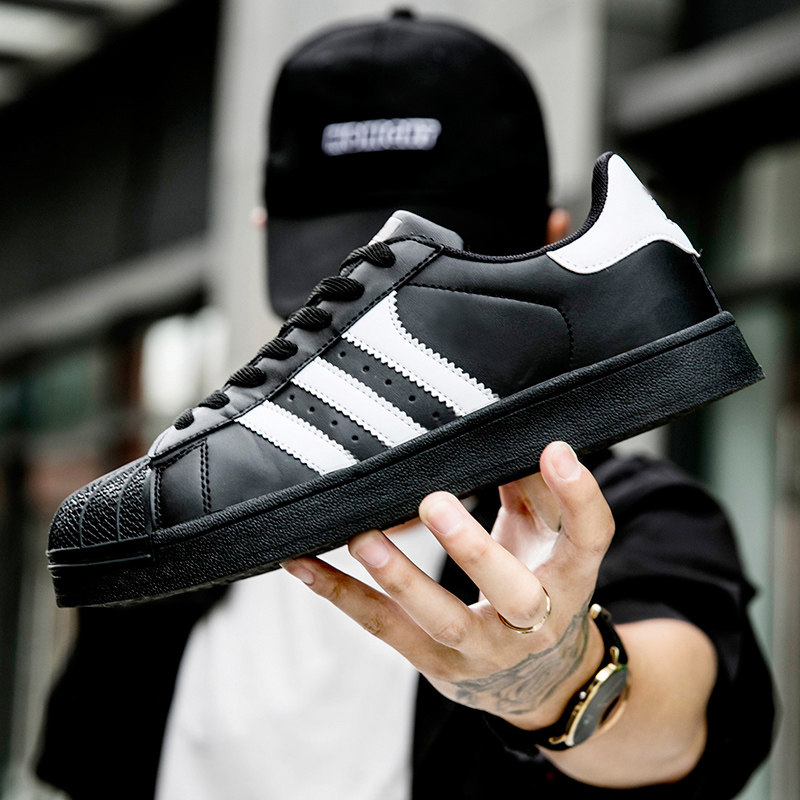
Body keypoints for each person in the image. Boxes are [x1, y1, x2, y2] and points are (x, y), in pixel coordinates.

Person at [36, 10, 774, 799]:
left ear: (554, 239)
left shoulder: (618, 514)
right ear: (264, 240)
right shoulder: (175, 529)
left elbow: (674, 731)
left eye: (426, 284)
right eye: (344, 282)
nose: (364, 318)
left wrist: (557, 683)